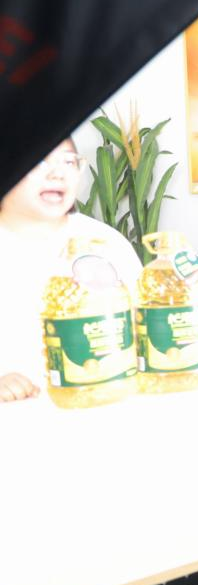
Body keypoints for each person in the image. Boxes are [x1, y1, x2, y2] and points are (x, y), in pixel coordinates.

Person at [0, 139, 142, 402]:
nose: (58, 173)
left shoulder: (106, 242)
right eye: (39, 161)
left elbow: (146, 329)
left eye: (68, 161)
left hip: (108, 405)